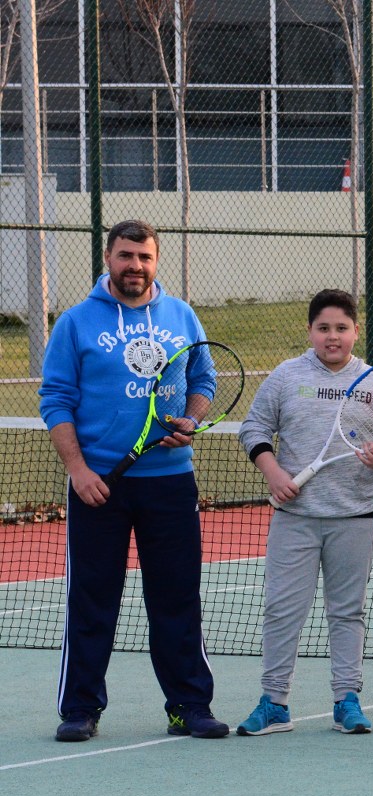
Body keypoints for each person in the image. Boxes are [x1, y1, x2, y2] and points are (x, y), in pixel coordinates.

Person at [37, 219, 229, 742]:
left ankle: (189, 706)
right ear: (108, 258)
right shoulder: (75, 323)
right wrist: (79, 471)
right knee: (92, 600)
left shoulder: (181, 315)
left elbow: (203, 378)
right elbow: (55, 400)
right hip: (99, 486)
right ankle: (81, 709)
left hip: (170, 483)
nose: (135, 266)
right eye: (126, 256)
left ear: (155, 261)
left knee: (177, 597)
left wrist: (191, 418)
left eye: (144, 257)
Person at [235, 290, 373, 736]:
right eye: (323, 328)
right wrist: (273, 472)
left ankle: (346, 700)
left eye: (341, 328)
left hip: (355, 517)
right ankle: (274, 703)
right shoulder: (286, 376)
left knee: (347, 612)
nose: (332, 337)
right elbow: (254, 428)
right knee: (282, 610)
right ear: (310, 331)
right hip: (295, 517)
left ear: (355, 330)